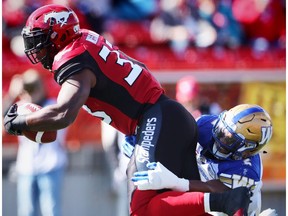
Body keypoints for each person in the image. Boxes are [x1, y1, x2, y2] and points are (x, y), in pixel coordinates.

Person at [3, 4, 250, 216]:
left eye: (41, 39)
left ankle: (229, 199)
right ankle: (232, 200)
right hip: (167, 116)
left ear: (59, 35)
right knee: (174, 196)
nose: (37, 49)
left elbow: (62, 114)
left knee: (141, 208)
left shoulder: (72, 58)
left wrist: (22, 121)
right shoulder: (86, 38)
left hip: (155, 120)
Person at [131, 104, 274, 216]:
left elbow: (218, 194)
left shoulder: (246, 171)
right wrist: (144, 142)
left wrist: (175, 182)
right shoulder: (206, 124)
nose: (220, 137)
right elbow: (177, 138)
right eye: (221, 129)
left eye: (230, 140)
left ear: (247, 150)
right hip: (198, 194)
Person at [3, 69, 67, 216]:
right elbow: (3, 130)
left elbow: (52, 133)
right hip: (26, 167)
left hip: (51, 165)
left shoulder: (52, 106)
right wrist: (12, 95)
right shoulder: (20, 107)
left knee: (51, 211)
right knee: (26, 212)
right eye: (28, 88)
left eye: (33, 88)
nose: (30, 93)